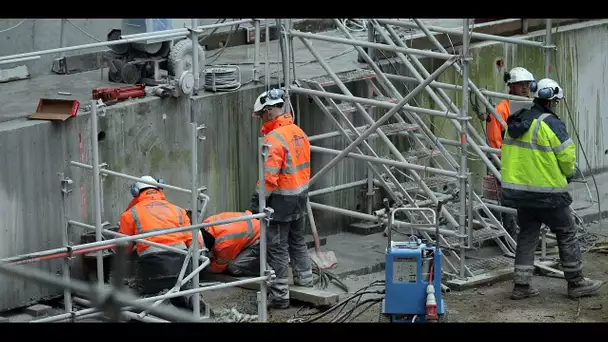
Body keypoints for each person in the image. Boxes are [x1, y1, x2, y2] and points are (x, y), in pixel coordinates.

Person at [501, 78, 603, 300]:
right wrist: (568, 173)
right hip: (549, 195)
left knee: (527, 235)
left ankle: (521, 286)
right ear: (552, 101)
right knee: (566, 232)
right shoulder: (551, 123)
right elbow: (567, 159)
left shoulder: (516, 122)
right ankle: (576, 283)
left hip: (520, 194)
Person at [250, 88, 313, 309]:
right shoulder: (298, 132)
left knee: (277, 247)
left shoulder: (273, 139)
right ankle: (306, 281)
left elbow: (269, 177)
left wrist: (257, 200)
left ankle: (279, 295)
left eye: (260, 115)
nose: (259, 119)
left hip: (280, 201)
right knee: (297, 241)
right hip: (300, 196)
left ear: (268, 112)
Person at [118, 175, 203, 311]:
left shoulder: (130, 214)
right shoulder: (178, 210)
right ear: (159, 189)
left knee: (132, 289)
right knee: (181, 287)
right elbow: (195, 244)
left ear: (136, 192)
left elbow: (124, 250)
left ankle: (155, 303)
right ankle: (190, 299)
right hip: (181, 268)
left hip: (153, 269)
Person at [487, 67, 535, 238]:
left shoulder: (530, 106)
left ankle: (524, 234)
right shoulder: (501, 110)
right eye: (520, 84)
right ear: (511, 86)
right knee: (508, 199)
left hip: (524, 159)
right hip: (505, 160)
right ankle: (509, 235)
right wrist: (504, 161)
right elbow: (494, 139)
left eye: (527, 84)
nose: (524, 88)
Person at [200, 211, 261, 277]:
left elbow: (218, 268)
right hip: (255, 223)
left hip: (260, 238)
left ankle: (265, 266)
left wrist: (204, 268)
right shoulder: (207, 222)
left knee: (234, 268)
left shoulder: (224, 244)